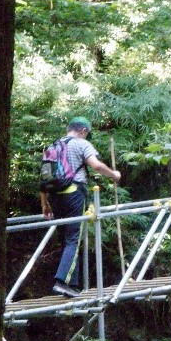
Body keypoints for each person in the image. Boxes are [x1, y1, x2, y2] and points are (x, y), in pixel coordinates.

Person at [40, 117, 121, 298]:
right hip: (74, 194)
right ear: (83, 130)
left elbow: (44, 178)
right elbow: (96, 166)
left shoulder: (53, 146)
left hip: (54, 197)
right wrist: (114, 175)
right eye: (87, 133)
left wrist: (44, 204)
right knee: (73, 240)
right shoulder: (82, 144)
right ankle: (62, 282)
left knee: (66, 240)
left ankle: (72, 285)